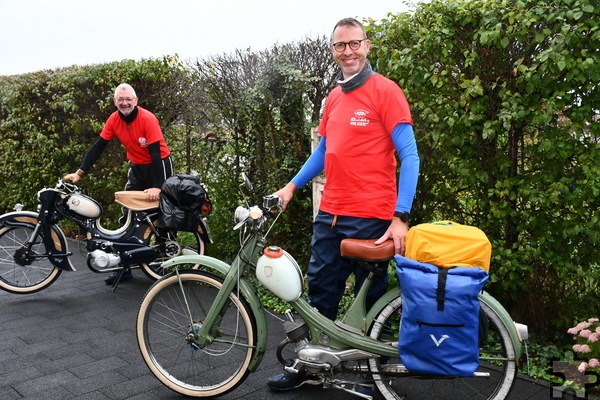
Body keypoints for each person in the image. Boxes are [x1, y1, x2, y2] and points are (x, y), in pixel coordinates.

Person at [266, 17, 420, 393]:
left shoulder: (386, 92)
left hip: (372, 216)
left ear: (367, 46)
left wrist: (401, 217)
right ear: (333, 50)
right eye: (340, 45)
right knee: (320, 293)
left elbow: (410, 156)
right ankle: (312, 367)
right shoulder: (334, 97)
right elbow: (323, 150)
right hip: (330, 214)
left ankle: (373, 372)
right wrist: (291, 187)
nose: (347, 51)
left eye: (354, 44)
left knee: (371, 300)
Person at [63, 83, 173, 284]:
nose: (124, 103)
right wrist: (80, 172)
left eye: (128, 99)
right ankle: (125, 266)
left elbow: (156, 153)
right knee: (127, 213)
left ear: (135, 101)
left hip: (159, 166)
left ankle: (167, 261)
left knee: (163, 213)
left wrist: (158, 186)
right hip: (137, 167)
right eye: (120, 100)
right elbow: (98, 147)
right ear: (115, 102)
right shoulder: (114, 120)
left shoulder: (148, 119)